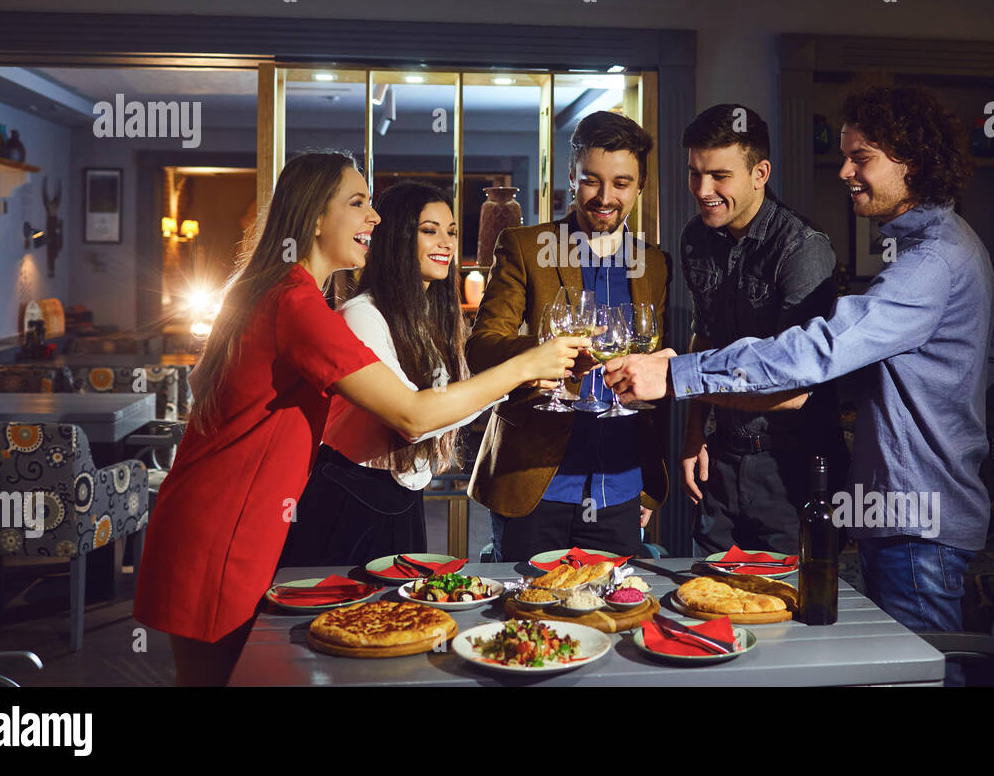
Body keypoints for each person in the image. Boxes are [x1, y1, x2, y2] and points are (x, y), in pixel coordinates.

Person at [606, 85, 994, 685]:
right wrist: (931, 390)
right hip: (906, 510)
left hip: (915, 518)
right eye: (846, 155)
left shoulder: (931, 261)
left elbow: (816, 353)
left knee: (910, 678)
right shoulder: (952, 241)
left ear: (913, 163)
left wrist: (675, 375)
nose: (845, 171)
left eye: (863, 158)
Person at [134, 152, 585, 685]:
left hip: (221, 516)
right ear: (314, 217)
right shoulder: (297, 304)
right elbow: (411, 415)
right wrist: (524, 365)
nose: (373, 217)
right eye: (357, 203)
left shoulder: (278, 290)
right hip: (226, 526)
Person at [467, 111, 671, 563]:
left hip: (619, 487)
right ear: (571, 177)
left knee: (612, 616)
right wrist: (542, 358)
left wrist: (648, 488)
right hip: (535, 484)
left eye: (621, 183)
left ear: (639, 188)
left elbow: (656, 367)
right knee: (527, 619)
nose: (605, 197)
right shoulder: (524, 246)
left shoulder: (654, 264)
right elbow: (481, 346)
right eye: (591, 180)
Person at [279, 181, 489, 567]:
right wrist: (511, 378)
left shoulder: (437, 318)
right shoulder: (362, 314)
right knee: (343, 617)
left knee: (401, 616)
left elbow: (451, 405)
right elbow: (415, 422)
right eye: (429, 231)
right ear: (396, 238)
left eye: (452, 232)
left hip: (404, 495)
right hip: (350, 494)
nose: (446, 242)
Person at [678, 103, 849, 556]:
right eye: (695, 173)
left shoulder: (803, 249)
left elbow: (795, 387)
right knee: (705, 605)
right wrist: (693, 433)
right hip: (720, 457)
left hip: (791, 465)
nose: (703, 189)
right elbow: (705, 337)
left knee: (785, 611)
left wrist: (674, 380)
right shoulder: (695, 239)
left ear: (761, 173)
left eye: (719, 175)